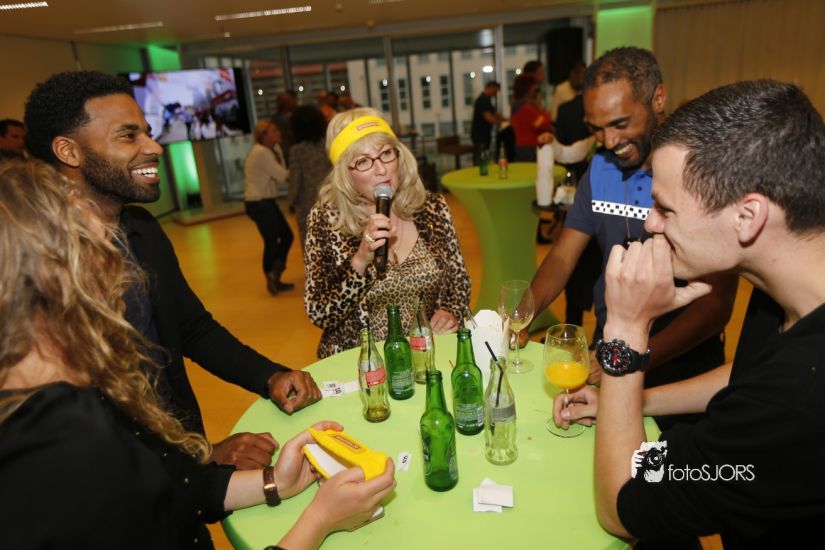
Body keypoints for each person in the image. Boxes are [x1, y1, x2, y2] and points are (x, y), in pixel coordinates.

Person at [0, 159, 397, 549]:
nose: (126, 277)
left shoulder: (86, 397)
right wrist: (320, 521)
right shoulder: (61, 454)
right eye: (104, 256)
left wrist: (274, 480)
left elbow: (174, 490)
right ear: (50, 283)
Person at [553, 80, 825, 548]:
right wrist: (634, 402)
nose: (650, 222)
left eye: (666, 208)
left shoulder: (798, 401)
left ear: (748, 216)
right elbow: (750, 376)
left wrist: (626, 330)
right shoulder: (787, 284)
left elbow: (623, 503)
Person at [23, 70, 321, 470]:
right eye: (128, 136)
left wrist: (269, 377)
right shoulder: (35, 265)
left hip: (178, 458)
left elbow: (192, 328)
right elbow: (73, 422)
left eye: (147, 133)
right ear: (69, 151)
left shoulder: (142, 230)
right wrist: (198, 458)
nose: (154, 148)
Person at [526, 48, 737, 426]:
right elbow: (562, 257)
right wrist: (521, 315)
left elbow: (716, 304)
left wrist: (633, 356)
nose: (608, 140)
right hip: (612, 350)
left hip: (683, 366)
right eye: (596, 128)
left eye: (621, 123)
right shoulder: (599, 168)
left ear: (658, 98)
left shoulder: (704, 171)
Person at [304, 107, 471, 358]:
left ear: (399, 155)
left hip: (425, 355)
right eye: (363, 161)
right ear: (345, 175)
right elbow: (320, 313)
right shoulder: (327, 220)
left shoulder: (431, 207)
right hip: (362, 363)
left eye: (385, 153)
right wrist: (361, 259)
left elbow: (459, 284)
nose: (381, 170)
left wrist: (449, 312)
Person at [245, 119, 295, 295]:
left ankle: (275, 275)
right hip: (258, 202)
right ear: (263, 136)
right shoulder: (261, 153)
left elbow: (280, 174)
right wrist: (300, 169)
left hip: (265, 201)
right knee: (272, 240)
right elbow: (281, 175)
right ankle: (271, 276)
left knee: (286, 236)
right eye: (274, 131)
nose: (278, 133)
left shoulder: (274, 150)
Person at [288, 104, 332, 247]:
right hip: (330, 198)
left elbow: (295, 180)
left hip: (307, 204)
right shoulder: (327, 145)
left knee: (311, 243)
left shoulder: (297, 151)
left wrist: (291, 201)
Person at [510, 73, 553, 162]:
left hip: (522, 147)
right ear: (528, 88)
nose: (536, 92)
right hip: (529, 148)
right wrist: (541, 109)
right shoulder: (526, 108)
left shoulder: (517, 105)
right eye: (535, 88)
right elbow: (544, 125)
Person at [470, 80, 502, 163]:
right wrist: (501, 123)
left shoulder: (485, 100)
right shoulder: (483, 100)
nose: (495, 94)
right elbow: (489, 118)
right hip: (480, 134)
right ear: (490, 88)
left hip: (483, 133)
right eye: (495, 90)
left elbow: (493, 114)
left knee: (483, 155)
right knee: (481, 156)